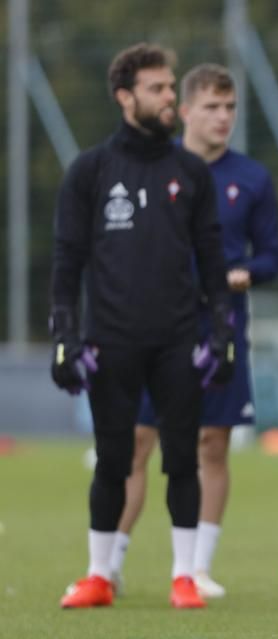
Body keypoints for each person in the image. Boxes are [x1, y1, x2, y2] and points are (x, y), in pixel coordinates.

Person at [51, 43, 234, 609]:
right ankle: (99, 576)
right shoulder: (90, 170)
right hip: (111, 342)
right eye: (156, 88)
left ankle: (184, 577)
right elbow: (67, 258)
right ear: (125, 96)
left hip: (178, 341)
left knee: (181, 457)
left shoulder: (191, 172)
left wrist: (222, 332)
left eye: (169, 87)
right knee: (112, 459)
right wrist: (64, 334)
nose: (167, 97)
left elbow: (211, 258)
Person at [106, 64, 278, 600]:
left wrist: (246, 273)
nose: (223, 117)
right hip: (152, 326)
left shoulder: (251, 178)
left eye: (230, 108)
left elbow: (273, 255)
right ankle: (107, 564)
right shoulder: (156, 169)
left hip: (220, 328)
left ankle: (197, 569)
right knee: (136, 443)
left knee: (212, 444)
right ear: (183, 111)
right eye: (211, 106)